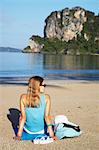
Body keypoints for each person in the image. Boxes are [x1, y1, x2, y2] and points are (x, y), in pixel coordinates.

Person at [14, 76, 57, 141]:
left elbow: (23, 117)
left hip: (28, 131)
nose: (44, 86)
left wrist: (19, 135)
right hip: (42, 131)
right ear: (38, 86)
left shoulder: (23, 97)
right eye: (43, 85)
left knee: (20, 116)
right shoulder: (46, 98)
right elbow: (47, 117)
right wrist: (52, 135)